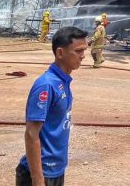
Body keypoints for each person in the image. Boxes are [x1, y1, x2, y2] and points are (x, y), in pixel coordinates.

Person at [16, 26, 88, 186]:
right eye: (78, 51)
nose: (83, 56)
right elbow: (31, 133)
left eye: (84, 50)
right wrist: (38, 179)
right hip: (41, 173)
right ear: (60, 53)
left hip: (56, 169)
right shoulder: (46, 86)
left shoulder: (62, 82)